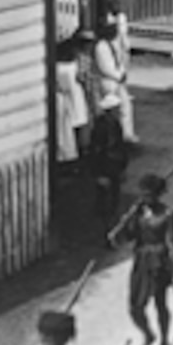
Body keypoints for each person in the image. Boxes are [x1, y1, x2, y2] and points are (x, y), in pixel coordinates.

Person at [109, 173, 173, 345]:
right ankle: (148, 335)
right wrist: (123, 224)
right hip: (141, 261)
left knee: (160, 303)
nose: (144, 199)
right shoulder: (138, 212)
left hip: (159, 261)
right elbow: (126, 238)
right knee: (135, 306)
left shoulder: (167, 214)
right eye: (142, 194)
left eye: (148, 195)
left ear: (157, 195)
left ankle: (164, 342)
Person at [94, 20, 138, 145]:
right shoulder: (101, 46)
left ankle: (127, 134)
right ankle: (115, 136)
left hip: (118, 80)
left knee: (126, 106)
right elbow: (105, 67)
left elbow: (120, 60)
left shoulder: (113, 43)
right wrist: (118, 76)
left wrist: (122, 72)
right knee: (113, 109)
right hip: (108, 81)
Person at [89, 93, 127, 231]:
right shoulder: (101, 127)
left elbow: (120, 146)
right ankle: (105, 227)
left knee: (114, 196)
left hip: (115, 166)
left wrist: (123, 166)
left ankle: (113, 222)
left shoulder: (115, 124)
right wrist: (98, 173)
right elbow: (96, 151)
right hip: (106, 166)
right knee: (105, 198)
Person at [55, 40, 87, 174]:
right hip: (72, 97)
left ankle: (67, 155)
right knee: (71, 129)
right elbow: (79, 79)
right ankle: (74, 156)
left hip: (64, 98)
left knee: (65, 129)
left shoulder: (57, 67)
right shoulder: (70, 66)